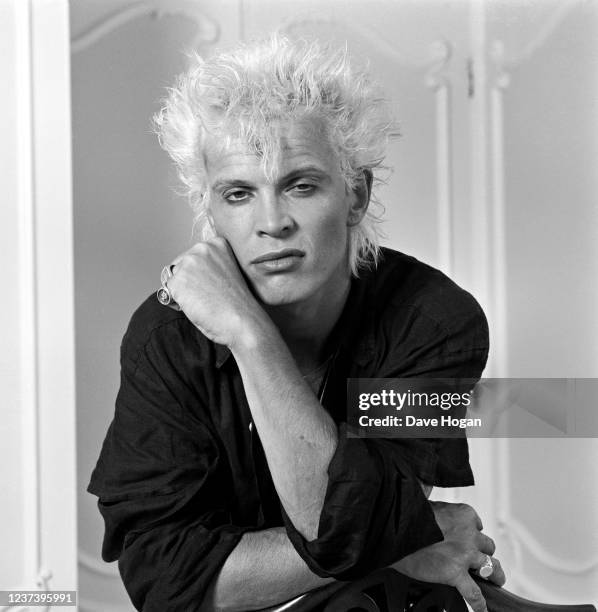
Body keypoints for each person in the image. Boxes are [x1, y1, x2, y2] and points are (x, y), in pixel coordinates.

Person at [88, 35, 505, 612]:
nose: (272, 223)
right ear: (211, 213)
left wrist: (252, 340)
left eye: (301, 185)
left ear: (355, 196)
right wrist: (399, 542)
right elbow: (165, 583)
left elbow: (339, 524)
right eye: (238, 194)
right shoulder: (167, 335)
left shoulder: (433, 321)